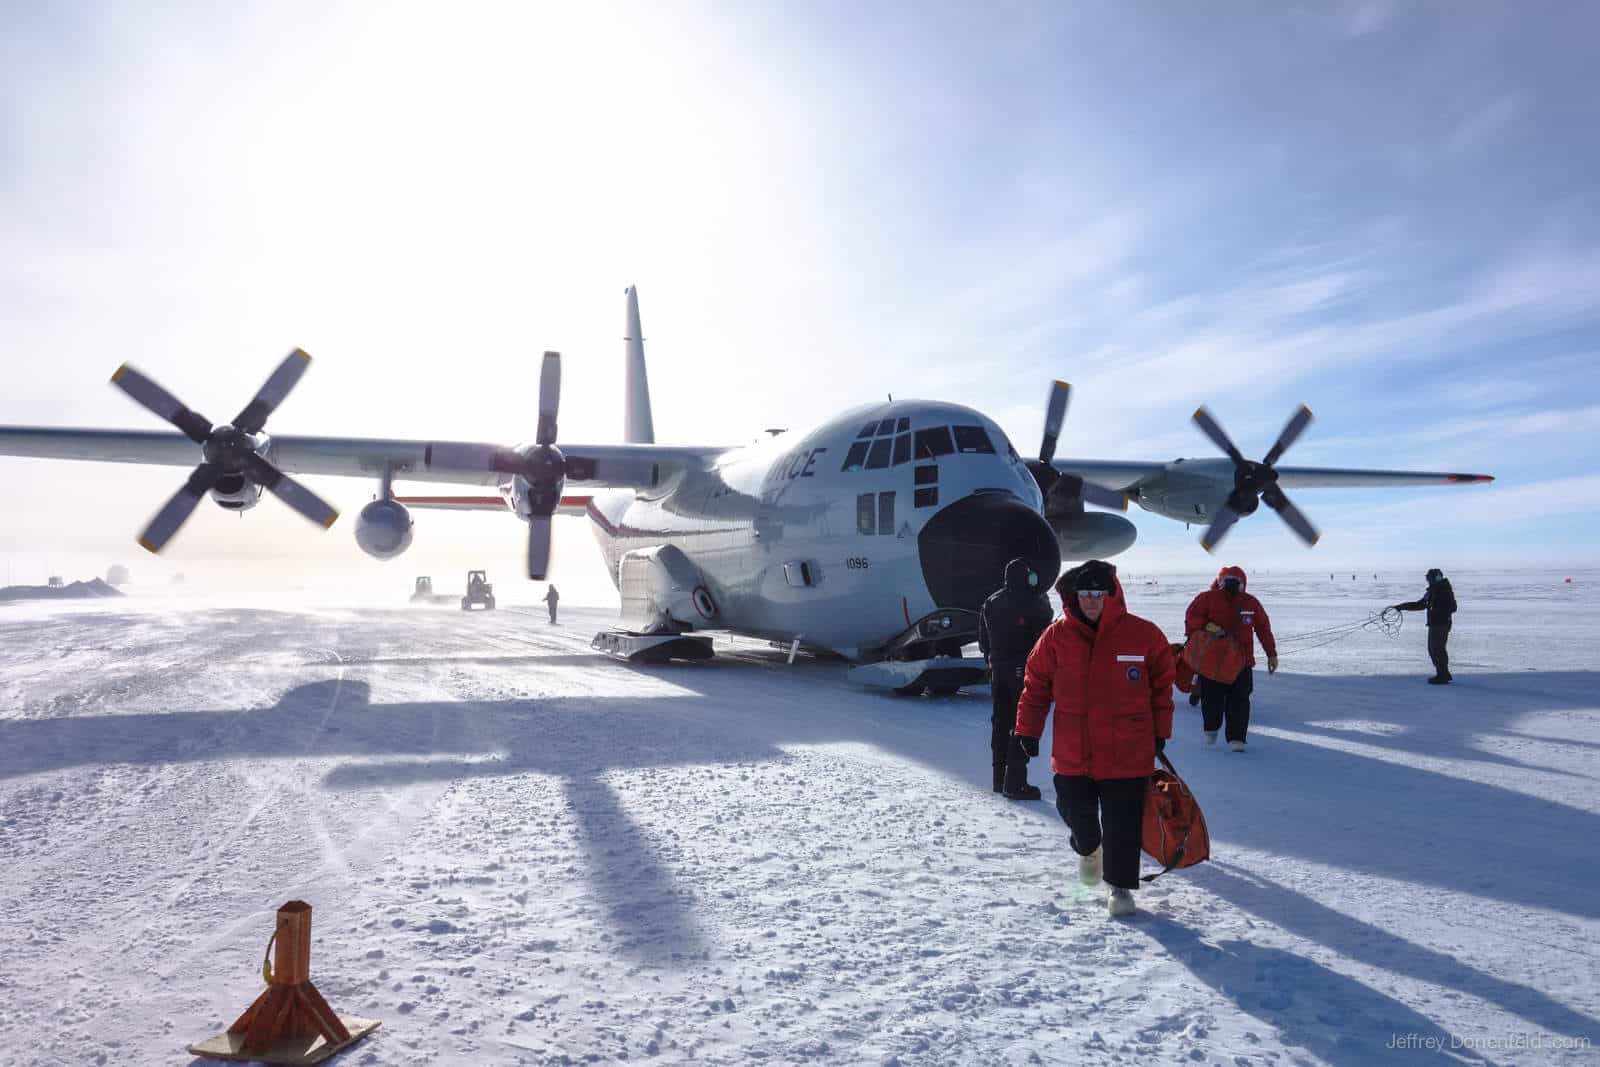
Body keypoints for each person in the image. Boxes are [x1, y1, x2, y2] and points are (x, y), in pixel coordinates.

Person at [1010, 560, 1174, 917]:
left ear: (1110, 594)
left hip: (1128, 748)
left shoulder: (1143, 635)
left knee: (1122, 822)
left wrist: (1161, 730)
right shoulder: (1056, 637)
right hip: (1074, 748)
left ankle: (1120, 888)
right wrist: (1027, 729)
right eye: (1085, 594)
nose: (1091, 601)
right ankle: (1088, 849)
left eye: (1098, 593)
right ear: (1075, 596)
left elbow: (1162, 686)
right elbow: (1036, 685)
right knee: (1075, 811)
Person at [979, 557, 1053, 799]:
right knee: (1020, 724)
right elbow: (1046, 632)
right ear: (1027, 576)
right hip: (1023, 671)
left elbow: (982, 641)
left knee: (1000, 724)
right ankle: (1016, 782)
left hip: (997, 670)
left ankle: (998, 780)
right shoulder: (1034, 601)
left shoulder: (991, 601)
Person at [1184, 566, 1277, 752]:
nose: (1233, 584)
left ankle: (1237, 739)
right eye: (1229, 580)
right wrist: (1203, 626)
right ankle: (1211, 729)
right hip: (1212, 661)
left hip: (1241, 662)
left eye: (1237, 581)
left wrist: (1271, 653)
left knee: (1240, 699)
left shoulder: (1251, 603)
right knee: (1212, 699)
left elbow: (1263, 629)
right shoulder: (1206, 599)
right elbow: (1191, 617)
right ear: (1220, 581)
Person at [1390, 568, 1456, 683]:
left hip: (1441, 624)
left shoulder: (1444, 590)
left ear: (1437, 578)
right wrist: (1401, 606)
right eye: (1427, 578)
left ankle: (1443, 675)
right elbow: (1420, 604)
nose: (1428, 580)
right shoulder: (1433, 590)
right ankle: (1443, 674)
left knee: (1437, 650)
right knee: (1433, 649)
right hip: (1435, 624)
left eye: (1430, 578)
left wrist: (1437, 608)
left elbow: (1453, 607)